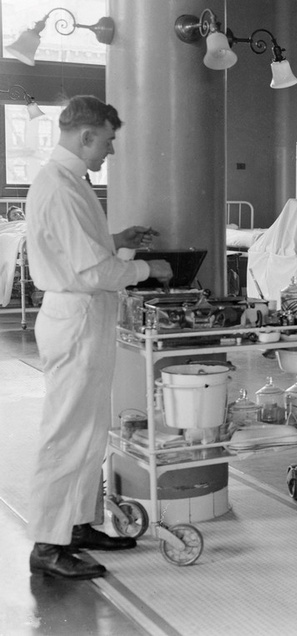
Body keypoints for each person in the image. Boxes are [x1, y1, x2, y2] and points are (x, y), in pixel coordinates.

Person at [25, 95, 173, 580]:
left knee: (90, 431)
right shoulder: (62, 186)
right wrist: (148, 267)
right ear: (86, 136)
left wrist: (118, 238)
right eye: (107, 141)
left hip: (84, 316)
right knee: (68, 432)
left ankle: (77, 523)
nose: (109, 151)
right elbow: (91, 271)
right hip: (77, 316)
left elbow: (78, 249)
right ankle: (49, 543)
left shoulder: (68, 180)